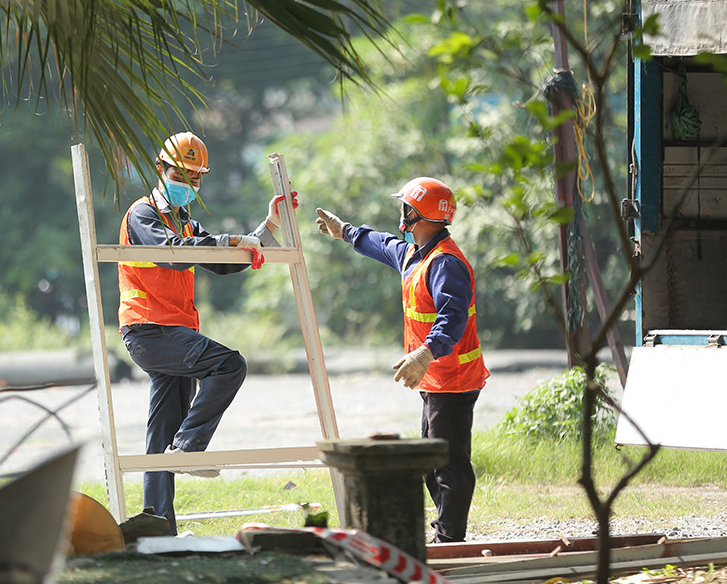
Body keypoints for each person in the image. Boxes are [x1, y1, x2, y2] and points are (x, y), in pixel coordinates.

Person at [118, 131, 297, 533]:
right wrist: (228, 238)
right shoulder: (142, 215)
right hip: (148, 330)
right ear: (161, 170)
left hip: (171, 332)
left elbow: (224, 260)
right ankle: (189, 447)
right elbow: (178, 256)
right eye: (183, 176)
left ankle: (156, 523)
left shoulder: (184, 222)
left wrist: (267, 226)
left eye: (196, 178)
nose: (190, 185)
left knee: (160, 434)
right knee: (228, 365)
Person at [315, 177, 489, 544]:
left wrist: (425, 354)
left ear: (419, 214)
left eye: (406, 207)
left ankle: (449, 538)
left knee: (449, 464)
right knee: (431, 462)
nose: (401, 214)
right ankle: (447, 532)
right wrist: (344, 231)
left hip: (453, 378)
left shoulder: (446, 264)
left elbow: (452, 316)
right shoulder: (416, 254)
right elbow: (382, 244)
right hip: (435, 378)